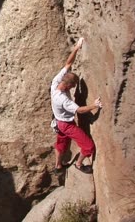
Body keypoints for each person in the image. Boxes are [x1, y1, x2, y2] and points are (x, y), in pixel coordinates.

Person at [50, 38, 102, 174]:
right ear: (67, 85)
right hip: (67, 124)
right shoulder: (62, 99)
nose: (74, 88)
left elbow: (68, 63)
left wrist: (77, 48)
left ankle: (58, 167)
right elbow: (80, 110)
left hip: (59, 121)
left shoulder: (56, 82)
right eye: (73, 86)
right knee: (88, 146)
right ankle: (79, 165)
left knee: (61, 144)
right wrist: (94, 105)